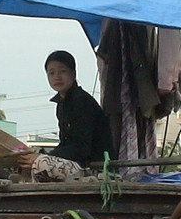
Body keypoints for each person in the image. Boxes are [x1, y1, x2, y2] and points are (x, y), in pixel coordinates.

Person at [18, 50, 114, 182]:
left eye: (62, 71)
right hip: (76, 164)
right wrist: (43, 155)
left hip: (94, 168)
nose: (57, 77)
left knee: (41, 164)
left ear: (73, 74)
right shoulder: (61, 105)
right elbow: (65, 144)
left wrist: (44, 157)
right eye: (51, 73)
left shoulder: (81, 101)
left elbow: (81, 148)